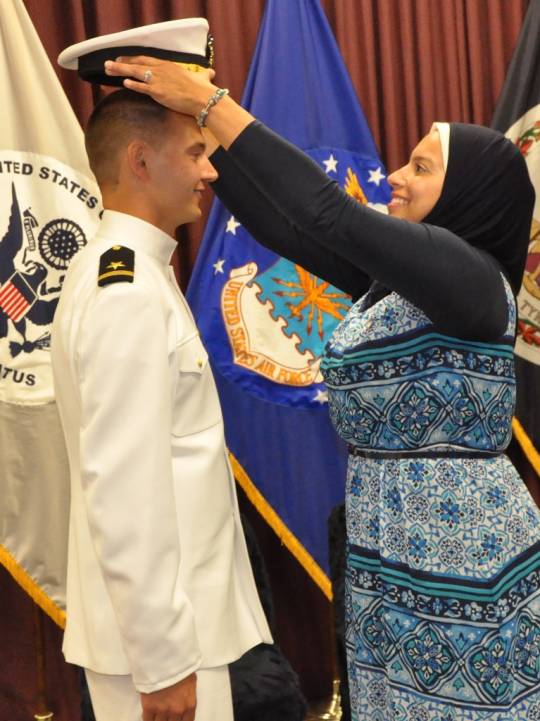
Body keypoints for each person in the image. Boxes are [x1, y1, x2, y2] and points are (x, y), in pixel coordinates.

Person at [103, 56, 540, 720]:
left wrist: (212, 101)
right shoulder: (402, 284)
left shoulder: (471, 278)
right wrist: (200, 125)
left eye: (421, 167)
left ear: (474, 194)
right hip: (385, 547)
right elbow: (290, 225)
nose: (394, 176)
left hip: (464, 559)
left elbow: (329, 213)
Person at [51, 87, 272, 721]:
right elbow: (125, 491)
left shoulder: (138, 272)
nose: (210, 170)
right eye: (196, 152)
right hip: (161, 653)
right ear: (141, 162)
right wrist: (164, 660)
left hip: (174, 636)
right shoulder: (126, 292)